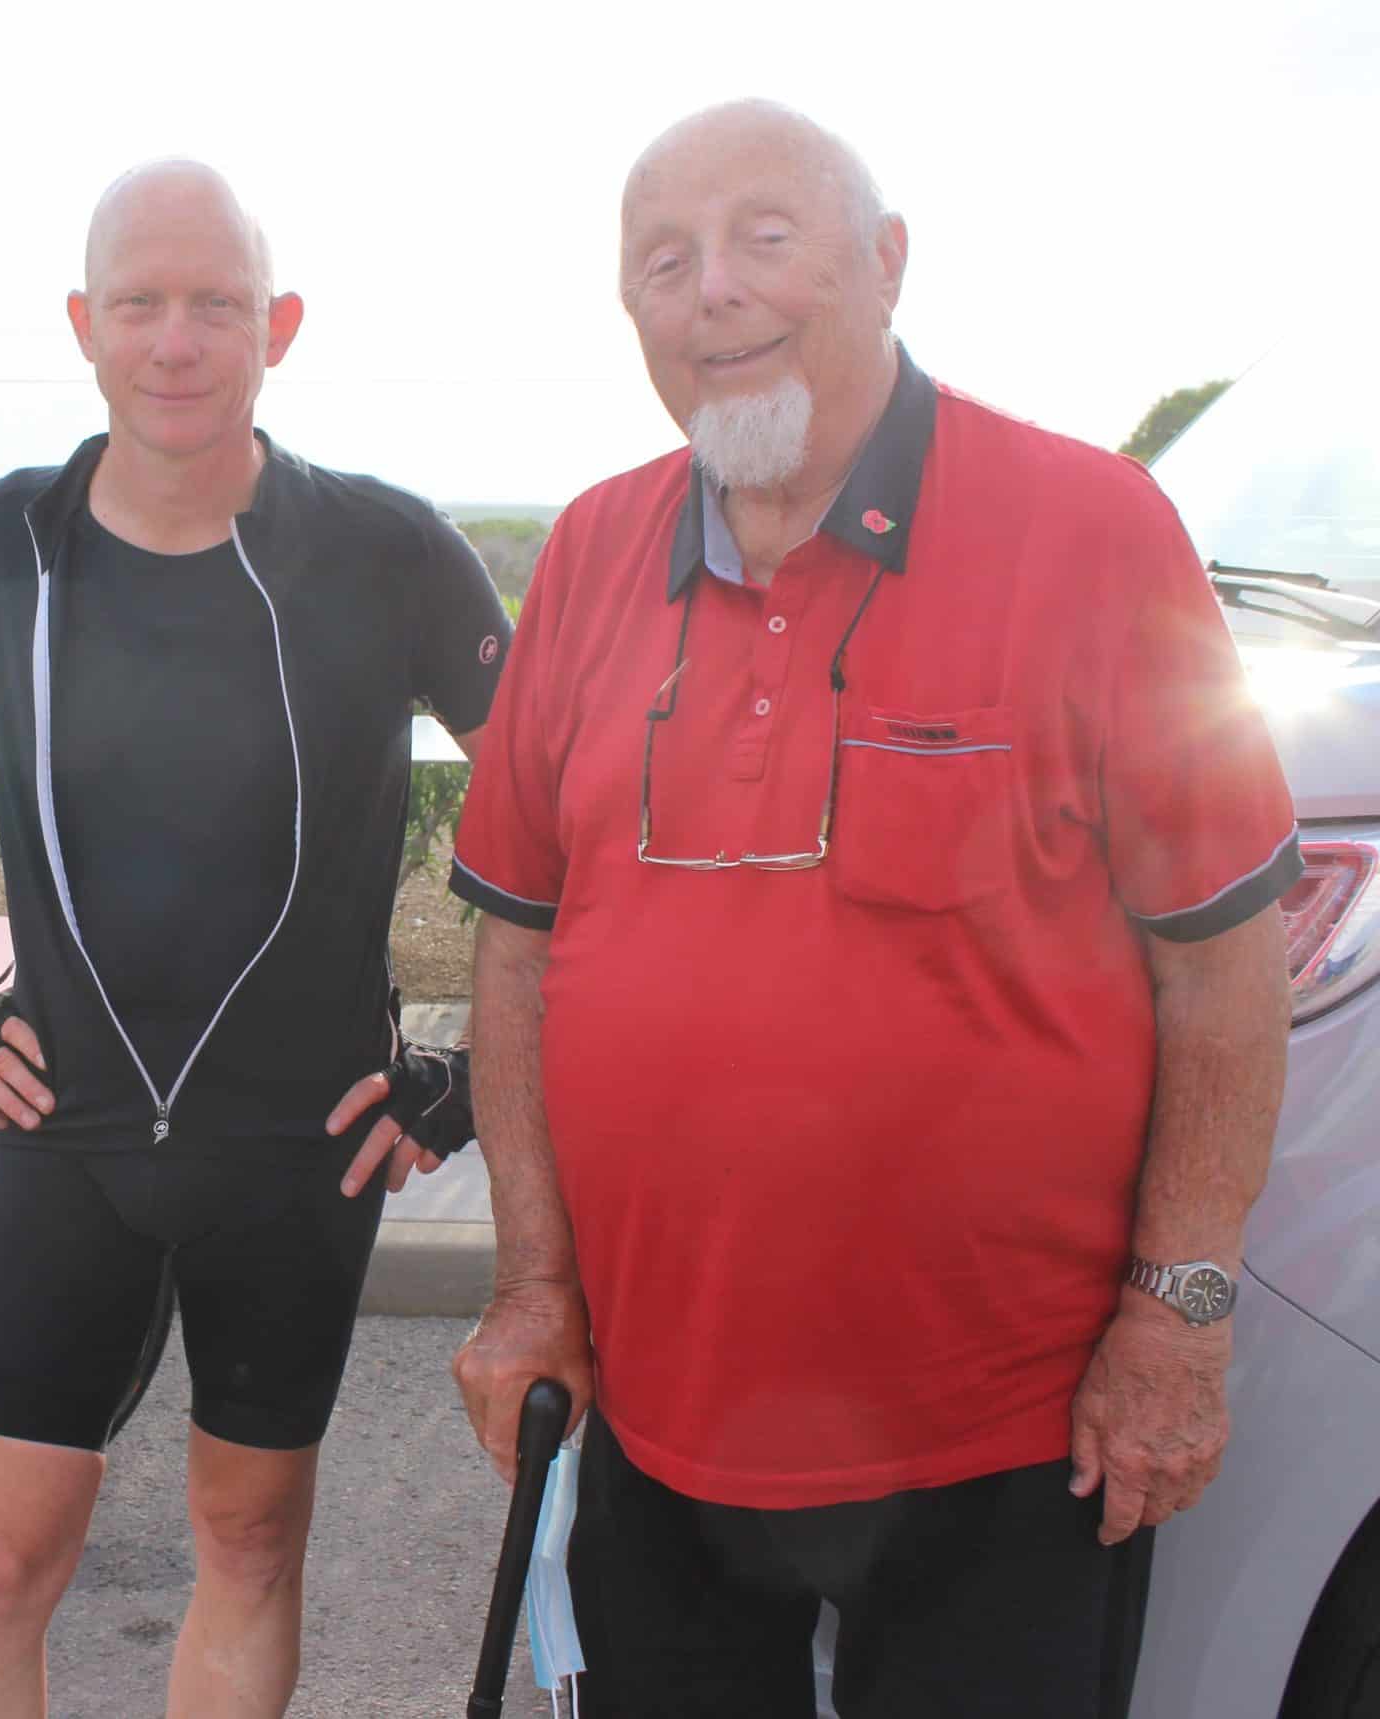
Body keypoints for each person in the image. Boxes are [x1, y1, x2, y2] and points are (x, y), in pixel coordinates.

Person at [447, 100, 1297, 1718]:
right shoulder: (586, 554)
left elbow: (1220, 965)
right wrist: (535, 1282)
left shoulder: (1095, 528)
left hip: (1009, 1437)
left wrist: (1178, 1314)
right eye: (664, 262)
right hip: (657, 1414)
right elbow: (518, 948)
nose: (713, 292)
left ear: (887, 263)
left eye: (767, 240)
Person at [0, 159, 511, 1717]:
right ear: (85, 323)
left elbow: (557, 815)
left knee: (248, 1539)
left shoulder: (390, 551)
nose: (176, 339)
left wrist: (471, 1061)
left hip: (297, 1145)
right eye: (140, 302)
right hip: (65, 1135)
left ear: (280, 325)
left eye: (214, 304)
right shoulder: (7, 544)